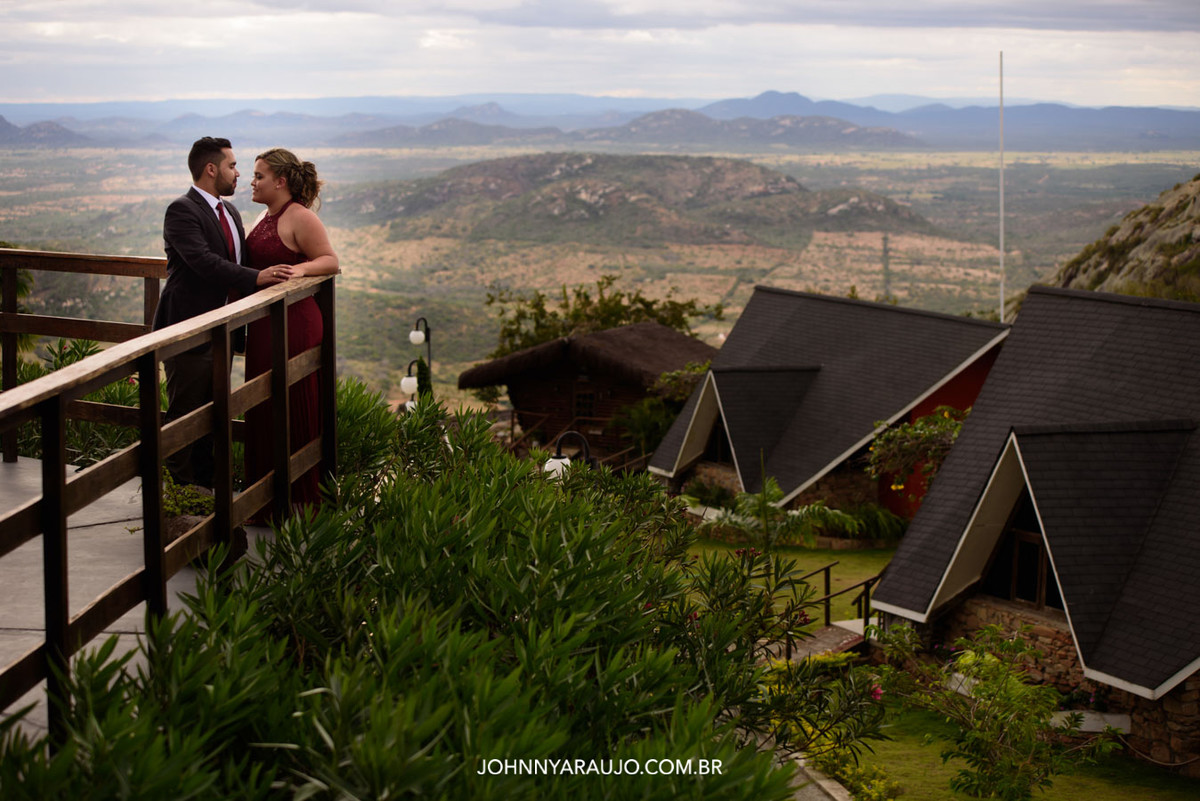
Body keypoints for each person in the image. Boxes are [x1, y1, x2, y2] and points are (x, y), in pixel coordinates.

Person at [155, 136, 285, 488]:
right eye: (231, 166)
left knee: (212, 415)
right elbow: (204, 263)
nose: (238, 173)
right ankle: (177, 496)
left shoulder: (229, 211)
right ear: (211, 169)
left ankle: (208, 490)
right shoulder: (182, 210)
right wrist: (257, 277)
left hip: (223, 330)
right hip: (189, 329)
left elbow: (235, 260)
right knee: (184, 414)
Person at [243, 147, 339, 516]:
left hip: (295, 321)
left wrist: (299, 272)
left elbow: (329, 260)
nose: (252, 182)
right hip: (264, 323)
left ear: (280, 182)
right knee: (262, 402)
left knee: (292, 400)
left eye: (259, 176)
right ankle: (264, 501)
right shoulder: (263, 215)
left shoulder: (299, 217)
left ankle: (298, 502)